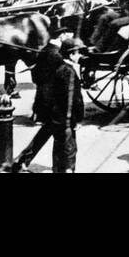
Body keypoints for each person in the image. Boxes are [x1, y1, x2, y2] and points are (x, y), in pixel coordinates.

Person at [13, 34, 84, 172]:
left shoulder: (58, 65)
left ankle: (22, 161)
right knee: (69, 150)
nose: (79, 56)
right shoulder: (69, 71)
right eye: (77, 53)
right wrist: (77, 119)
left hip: (53, 111)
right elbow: (74, 99)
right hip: (65, 117)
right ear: (71, 54)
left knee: (54, 141)